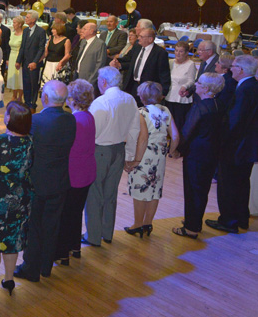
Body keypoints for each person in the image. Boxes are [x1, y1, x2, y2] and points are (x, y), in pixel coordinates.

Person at [13, 81, 76, 283]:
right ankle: (46, 266)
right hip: (60, 181)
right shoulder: (71, 120)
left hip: (38, 182)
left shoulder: (36, 121)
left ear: (45, 98)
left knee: (34, 227)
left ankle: (30, 268)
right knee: (51, 226)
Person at [84, 67, 142, 246]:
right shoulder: (130, 99)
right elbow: (134, 130)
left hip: (100, 150)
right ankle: (107, 233)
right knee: (110, 194)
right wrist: (130, 155)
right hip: (119, 150)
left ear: (103, 82)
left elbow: (92, 132)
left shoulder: (100, 102)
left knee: (94, 195)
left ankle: (92, 236)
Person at [0, 101, 33, 298]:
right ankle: (9, 279)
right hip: (22, 201)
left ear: (9, 119)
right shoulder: (32, 143)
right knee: (13, 237)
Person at [207, 55, 258, 233]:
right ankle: (241, 218)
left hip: (236, 147)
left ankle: (228, 220)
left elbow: (235, 121)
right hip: (247, 147)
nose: (230, 69)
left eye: (234, 66)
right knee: (242, 184)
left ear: (242, 70)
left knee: (228, 184)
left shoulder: (244, 89)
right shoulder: (253, 86)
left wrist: (221, 142)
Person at [171, 73, 225, 239]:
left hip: (196, 154)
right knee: (201, 190)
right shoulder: (219, 104)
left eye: (199, 82)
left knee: (192, 190)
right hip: (211, 153)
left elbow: (187, 132)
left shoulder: (200, 107)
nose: (196, 84)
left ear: (207, 88)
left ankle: (191, 227)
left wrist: (176, 149)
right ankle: (194, 221)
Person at [124, 82, 178, 237]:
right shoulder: (165, 110)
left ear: (142, 96)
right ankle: (148, 224)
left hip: (144, 155)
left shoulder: (140, 112)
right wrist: (171, 151)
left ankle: (137, 224)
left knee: (139, 190)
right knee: (155, 189)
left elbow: (142, 139)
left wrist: (135, 160)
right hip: (159, 156)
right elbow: (174, 135)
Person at [55, 79, 96, 265]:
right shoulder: (88, 116)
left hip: (74, 173)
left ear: (72, 99)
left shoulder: (75, 120)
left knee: (66, 214)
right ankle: (74, 246)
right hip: (86, 171)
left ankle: (62, 252)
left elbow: (70, 149)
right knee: (76, 211)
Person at [110, 19, 171, 104]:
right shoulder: (137, 47)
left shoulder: (160, 53)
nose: (138, 38)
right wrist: (116, 62)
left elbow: (164, 74)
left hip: (148, 90)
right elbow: (128, 59)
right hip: (133, 86)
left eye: (141, 37)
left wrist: (163, 93)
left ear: (150, 39)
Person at [165, 41, 197, 144]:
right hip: (169, 96)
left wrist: (185, 86)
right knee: (168, 122)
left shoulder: (190, 64)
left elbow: (191, 80)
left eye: (181, 51)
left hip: (181, 97)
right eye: (176, 51)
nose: (178, 53)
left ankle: (178, 146)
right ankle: (169, 143)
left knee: (178, 124)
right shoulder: (171, 62)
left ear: (187, 53)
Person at [16, 10, 46, 111]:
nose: (26, 19)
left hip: (34, 63)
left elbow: (41, 49)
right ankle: (27, 102)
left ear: (33, 20)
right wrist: (18, 60)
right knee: (26, 84)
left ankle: (33, 104)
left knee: (33, 85)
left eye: (28, 17)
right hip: (25, 62)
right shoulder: (25, 31)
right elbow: (22, 47)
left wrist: (35, 62)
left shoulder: (41, 31)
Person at [75, 22, 105, 88]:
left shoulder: (100, 44)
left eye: (84, 29)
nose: (82, 31)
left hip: (89, 79)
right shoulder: (83, 42)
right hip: (78, 76)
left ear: (91, 31)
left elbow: (100, 64)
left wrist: (91, 81)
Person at [6, 16, 24, 102]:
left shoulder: (24, 34)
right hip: (12, 55)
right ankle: (14, 95)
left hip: (19, 56)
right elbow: (8, 46)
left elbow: (23, 48)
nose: (13, 24)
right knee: (13, 76)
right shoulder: (12, 33)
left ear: (20, 24)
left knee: (19, 76)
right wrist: (7, 59)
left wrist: (19, 60)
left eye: (15, 23)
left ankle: (20, 96)